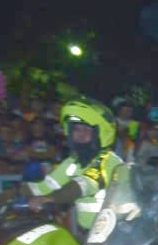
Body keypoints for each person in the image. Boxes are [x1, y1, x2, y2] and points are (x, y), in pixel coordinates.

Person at [25, 97, 122, 231]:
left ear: (99, 134)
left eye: (87, 130)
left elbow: (83, 185)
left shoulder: (109, 160)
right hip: (91, 235)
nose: (80, 134)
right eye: (76, 129)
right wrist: (11, 194)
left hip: (117, 233)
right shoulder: (74, 162)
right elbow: (46, 186)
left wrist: (50, 198)